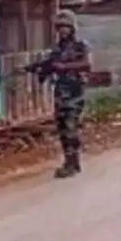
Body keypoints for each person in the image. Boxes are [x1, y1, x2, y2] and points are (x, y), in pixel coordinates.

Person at [46, 10, 90, 179]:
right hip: (60, 92)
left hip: (75, 92)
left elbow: (87, 64)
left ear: (72, 27)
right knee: (62, 128)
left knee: (71, 127)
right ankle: (69, 161)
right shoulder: (57, 48)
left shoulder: (81, 45)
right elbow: (50, 65)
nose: (62, 30)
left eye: (66, 26)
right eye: (60, 27)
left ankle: (73, 162)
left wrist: (64, 67)